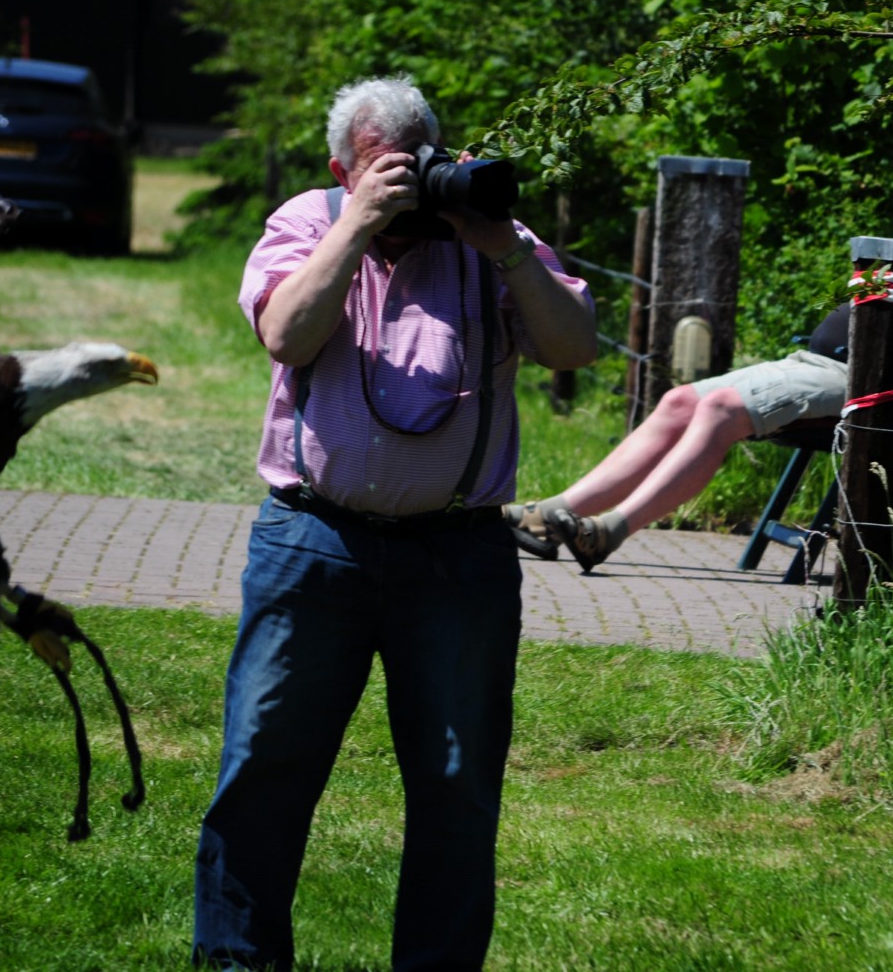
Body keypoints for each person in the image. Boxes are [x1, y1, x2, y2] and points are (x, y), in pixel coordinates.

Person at [193, 76, 595, 971]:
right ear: (344, 168)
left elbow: (574, 348)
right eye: (382, 174)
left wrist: (506, 250)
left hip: (460, 556)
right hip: (313, 541)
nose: (407, 195)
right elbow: (288, 336)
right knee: (262, 769)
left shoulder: (485, 235)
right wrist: (355, 225)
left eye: (418, 170)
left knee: (456, 788)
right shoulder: (308, 219)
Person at [508, 160, 893, 572]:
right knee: (679, 399)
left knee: (722, 408)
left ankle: (609, 531)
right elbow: (865, 294)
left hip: (867, 383)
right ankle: (557, 514)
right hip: (819, 362)